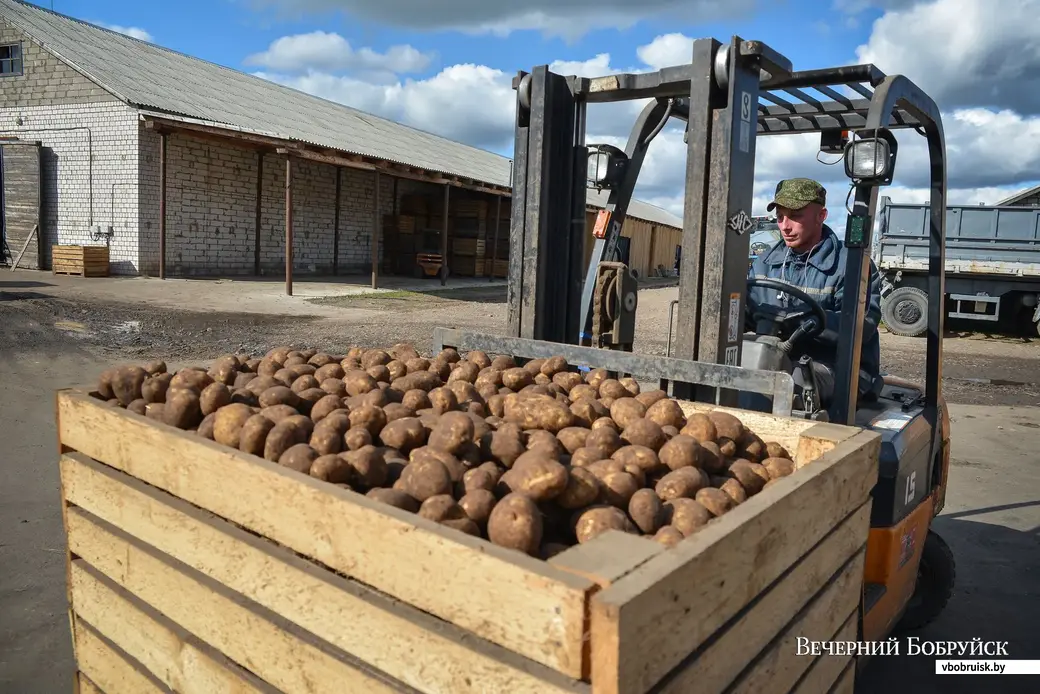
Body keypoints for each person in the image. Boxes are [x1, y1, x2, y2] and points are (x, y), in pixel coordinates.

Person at [746, 177, 882, 412]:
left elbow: (862, 326)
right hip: (776, 358)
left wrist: (809, 321)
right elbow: (746, 310)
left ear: (821, 216)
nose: (785, 226)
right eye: (780, 217)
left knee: (791, 383)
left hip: (834, 365)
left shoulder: (852, 265)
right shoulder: (764, 263)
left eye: (795, 216)